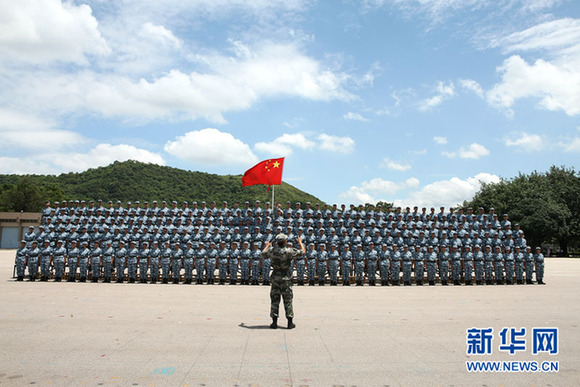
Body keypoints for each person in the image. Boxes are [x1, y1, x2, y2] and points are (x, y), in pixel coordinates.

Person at [262, 233, 305, 329]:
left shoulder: (272, 251)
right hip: (286, 278)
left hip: (275, 277)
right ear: (285, 242)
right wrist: (300, 242)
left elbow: (263, 254)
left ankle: (274, 322)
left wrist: (267, 246)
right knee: (288, 300)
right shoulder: (289, 251)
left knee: (275, 300)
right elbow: (302, 252)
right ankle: (290, 322)